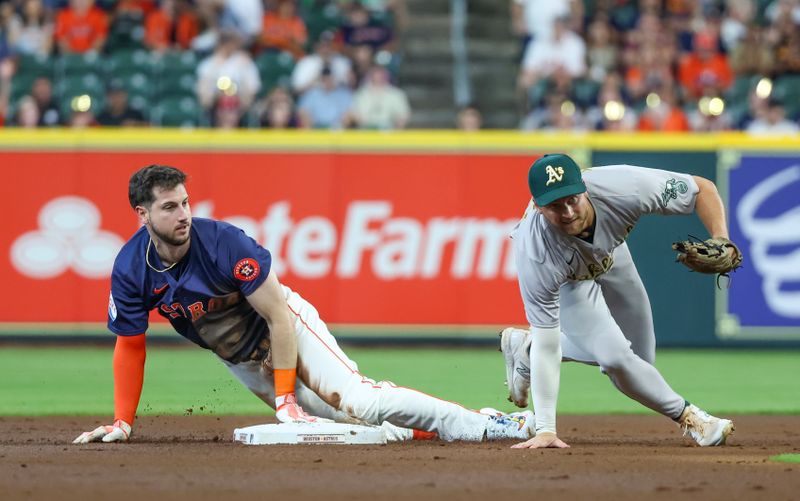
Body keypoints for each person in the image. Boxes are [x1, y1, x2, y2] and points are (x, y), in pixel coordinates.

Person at [73, 165, 534, 444]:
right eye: (170, 207)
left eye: (186, 202)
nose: (184, 214)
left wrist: (287, 397)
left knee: (359, 399)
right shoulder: (130, 269)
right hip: (240, 357)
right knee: (340, 423)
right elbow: (131, 346)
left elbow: (276, 316)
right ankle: (456, 425)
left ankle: (486, 425)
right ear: (142, 215)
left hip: (285, 325)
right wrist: (122, 422)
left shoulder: (223, 243)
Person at [500, 153, 736, 449]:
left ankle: (526, 348)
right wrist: (546, 429)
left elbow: (701, 189)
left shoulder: (624, 187)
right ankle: (698, 422)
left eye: (573, 198)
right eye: (555, 206)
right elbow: (550, 342)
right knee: (616, 359)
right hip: (570, 278)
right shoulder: (536, 252)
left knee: (641, 361)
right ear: (537, 206)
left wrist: (722, 238)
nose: (569, 211)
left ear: (584, 186)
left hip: (610, 252)